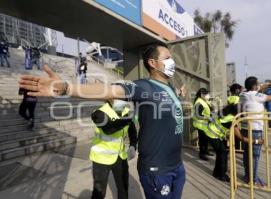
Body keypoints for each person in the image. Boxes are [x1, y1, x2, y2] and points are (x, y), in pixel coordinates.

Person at [19, 42, 186, 199]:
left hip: (177, 166)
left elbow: (167, 99)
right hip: (156, 170)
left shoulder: (169, 88)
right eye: (167, 58)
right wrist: (67, 87)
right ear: (153, 63)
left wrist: (179, 94)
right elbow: (109, 90)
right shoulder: (144, 87)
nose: (172, 61)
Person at [240, 76, 271, 187]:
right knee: (254, 156)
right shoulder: (256, 96)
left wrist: (268, 85)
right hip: (255, 129)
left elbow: (258, 89)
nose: (259, 85)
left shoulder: (243, 94)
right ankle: (253, 180)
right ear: (254, 86)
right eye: (258, 84)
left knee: (246, 154)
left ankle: (247, 176)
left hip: (245, 128)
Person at [203, 103, 264, 182]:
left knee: (221, 153)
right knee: (223, 153)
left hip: (212, 132)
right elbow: (241, 138)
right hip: (212, 134)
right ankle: (222, 175)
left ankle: (216, 172)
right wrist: (256, 141)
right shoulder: (231, 119)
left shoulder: (227, 112)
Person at [90, 99, 137, 199]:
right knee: (99, 193)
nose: (122, 100)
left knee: (123, 188)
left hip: (120, 157)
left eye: (123, 97)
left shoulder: (125, 112)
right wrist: (128, 118)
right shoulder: (100, 112)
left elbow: (132, 131)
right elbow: (109, 129)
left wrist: (133, 145)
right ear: (109, 98)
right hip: (101, 159)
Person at [193, 88, 214, 161]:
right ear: (201, 94)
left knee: (205, 140)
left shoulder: (203, 101)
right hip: (201, 125)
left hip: (205, 124)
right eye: (206, 94)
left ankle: (206, 151)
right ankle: (202, 154)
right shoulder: (199, 102)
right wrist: (207, 118)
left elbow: (207, 110)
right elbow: (197, 115)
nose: (207, 95)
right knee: (202, 140)